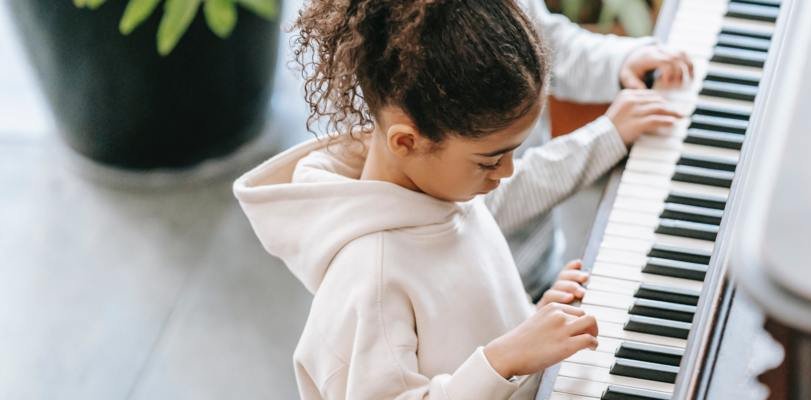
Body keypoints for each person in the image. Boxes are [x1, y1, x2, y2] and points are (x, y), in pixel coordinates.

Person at [233, 1, 683, 399]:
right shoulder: (369, 278)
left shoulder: (445, 189)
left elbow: (467, 336)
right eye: (491, 160)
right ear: (407, 142)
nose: (507, 172)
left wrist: (529, 322)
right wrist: (506, 358)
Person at [506, 0, 694, 301]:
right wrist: (608, 136)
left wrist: (622, 61)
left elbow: (546, 43)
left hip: (547, 257)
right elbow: (487, 197)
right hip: (499, 297)